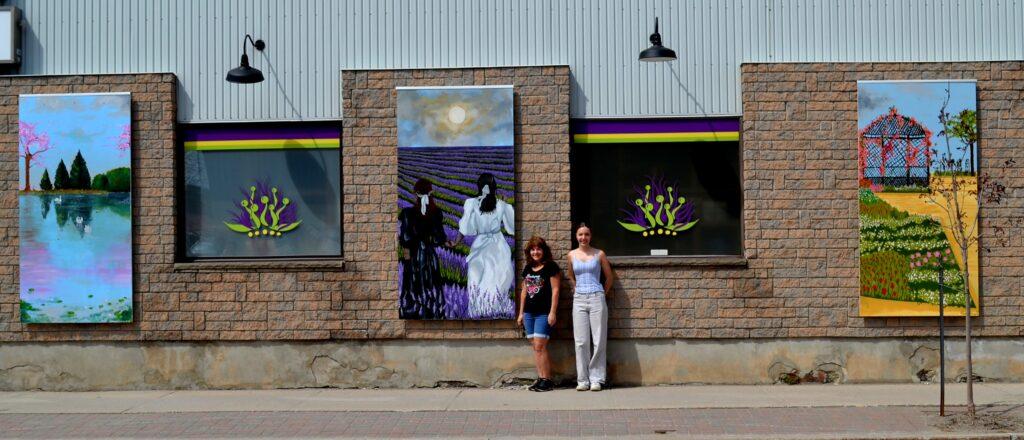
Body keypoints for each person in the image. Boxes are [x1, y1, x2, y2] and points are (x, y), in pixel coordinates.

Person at [448, 173, 515, 319]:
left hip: (481, 244)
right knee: (496, 277)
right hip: (498, 245)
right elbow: (512, 227)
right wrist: (505, 204)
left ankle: (480, 311)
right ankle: (494, 310)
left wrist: (456, 242)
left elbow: (464, 227)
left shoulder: (472, 203)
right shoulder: (501, 204)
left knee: (477, 277)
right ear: (494, 187)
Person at [566, 222, 614, 391]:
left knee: (599, 339)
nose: (583, 237)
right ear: (576, 236)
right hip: (579, 299)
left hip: (596, 298)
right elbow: (571, 276)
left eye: (586, 234)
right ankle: (582, 379)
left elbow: (609, 278)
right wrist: (576, 289)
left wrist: (602, 293)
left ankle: (597, 378)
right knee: (581, 341)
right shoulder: (571, 255)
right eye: (580, 234)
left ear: (590, 236)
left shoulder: (599, 254)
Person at [398, 179, 447, 319]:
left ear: (416, 194)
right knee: (432, 284)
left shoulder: (407, 213)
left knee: (412, 284)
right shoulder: (436, 213)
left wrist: (407, 259)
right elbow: (440, 239)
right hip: (430, 257)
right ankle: (432, 310)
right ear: (431, 194)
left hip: (413, 257)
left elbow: (405, 239)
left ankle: (414, 309)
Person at [517, 236, 561, 392]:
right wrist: (521, 313)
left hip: (543, 313)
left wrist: (552, 312)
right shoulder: (528, 268)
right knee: (535, 347)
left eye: (538, 249)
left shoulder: (551, 267)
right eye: (533, 249)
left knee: (540, 346)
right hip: (529, 313)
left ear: (544, 250)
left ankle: (547, 380)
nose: (536, 252)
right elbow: (524, 292)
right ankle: (541, 377)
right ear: (530, 252)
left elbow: (556, 290)